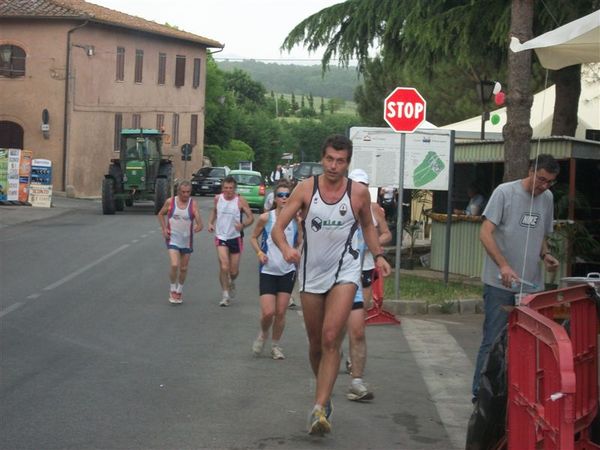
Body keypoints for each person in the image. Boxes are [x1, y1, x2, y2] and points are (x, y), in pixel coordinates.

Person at [271, 134, 392, 436]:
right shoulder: (306, 188)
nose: (334, 166)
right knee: (315, 346)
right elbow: (278, 227)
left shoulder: (359, 194)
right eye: (329, 159)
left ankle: (319, 407)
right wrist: (286, 249)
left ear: (348, 163)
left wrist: (378, 255)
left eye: (340, 161)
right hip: (312, 272)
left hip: (345, 271)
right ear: (322, 158)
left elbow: (367, 225)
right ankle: (323, 393)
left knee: (329, 338)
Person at [471, 154, 560, 401]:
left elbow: (542, 232)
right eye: (541, 179)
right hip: (500, 283)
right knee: (494, 340)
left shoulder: (547, 199)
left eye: (549, 182)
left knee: (528, 344)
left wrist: (546, 254)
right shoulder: (504, 193)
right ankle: (481, 396)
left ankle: (517, 395)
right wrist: (504, 266)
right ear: (530, 171)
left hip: (531, 286)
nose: (543, 186)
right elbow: (485, 233)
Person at [345, 169, 392, 401]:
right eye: (357, 184)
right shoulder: (341, 205)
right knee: (331, 327)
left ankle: (355, 376)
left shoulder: (374, 209)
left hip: (363, 267)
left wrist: (371, 244)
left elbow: (386, 234)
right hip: (339, 271)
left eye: (364, 184)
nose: (360, 188)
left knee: (361, 312)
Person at [249, 180, 303, 360]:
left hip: (287, 271)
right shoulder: (266, 218)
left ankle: (275, 345)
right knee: (268, 312)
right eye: (280, 195)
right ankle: (263, 333)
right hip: (268, 270)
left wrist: (300, 225)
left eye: (288, 195)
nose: (284, 198)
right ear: (275, 198)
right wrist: (259, 253)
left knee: (280, 312)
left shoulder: (295, 219)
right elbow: (253, 237)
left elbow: (298, 243)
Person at [207, 175, 254, 306]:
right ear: (222, 188)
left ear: (235, 189)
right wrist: (210, 223)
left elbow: (251, 218)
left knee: (233, 271)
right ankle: (225, 295)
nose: (228, 191)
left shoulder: (240, 201)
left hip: (236, 237)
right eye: (226, 188)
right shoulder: (218, 199)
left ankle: (231, 281)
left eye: (231, 188)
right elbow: (215, 212)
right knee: (224, 266)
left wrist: (243, 225)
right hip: (221, 236)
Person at [157, 180, 203, 304]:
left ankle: (179, 290)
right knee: (174, 264)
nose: (185, 195)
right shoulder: (170, 202)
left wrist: (199, 225)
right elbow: (160, 214)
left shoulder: (193, 204)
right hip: (173, 239)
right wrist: (164, 228)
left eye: (188, 192)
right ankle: (172, 288)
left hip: (187, 241)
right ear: (178, 192)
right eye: (183, 192)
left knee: (183, 268)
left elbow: (199, 221)